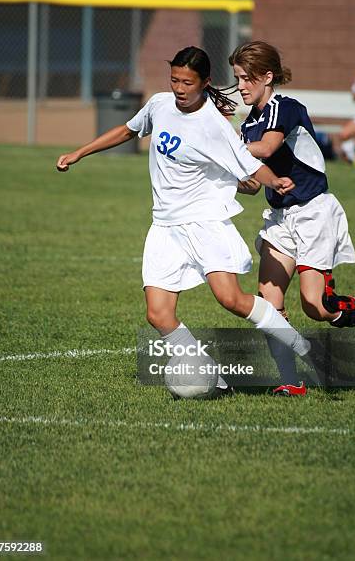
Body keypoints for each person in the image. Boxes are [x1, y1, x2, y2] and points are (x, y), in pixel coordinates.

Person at [56, 46, 316, 397]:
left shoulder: (214, 125)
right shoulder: (160, 105)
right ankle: (212, 379)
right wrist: (79, 153)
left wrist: (275, 181)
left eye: (187, 82)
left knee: (231, 299)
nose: (179, 88)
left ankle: (302, 346)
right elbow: (127, 131)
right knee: (158, 314)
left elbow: (250, 167)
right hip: (164, 226)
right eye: (174, 80)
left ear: (205, 82)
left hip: (203, 223)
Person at [228, 41, 355, 395]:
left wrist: (218, 146)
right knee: (269, 301)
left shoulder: (285, 108)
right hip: (279, 218)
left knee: (317, 305)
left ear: (267, 77)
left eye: (246, 79)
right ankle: (290, 380)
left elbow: (268, 148)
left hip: (314, 213)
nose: (240, 86)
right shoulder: (249, 123)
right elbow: (253, 184)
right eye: (237, 78)